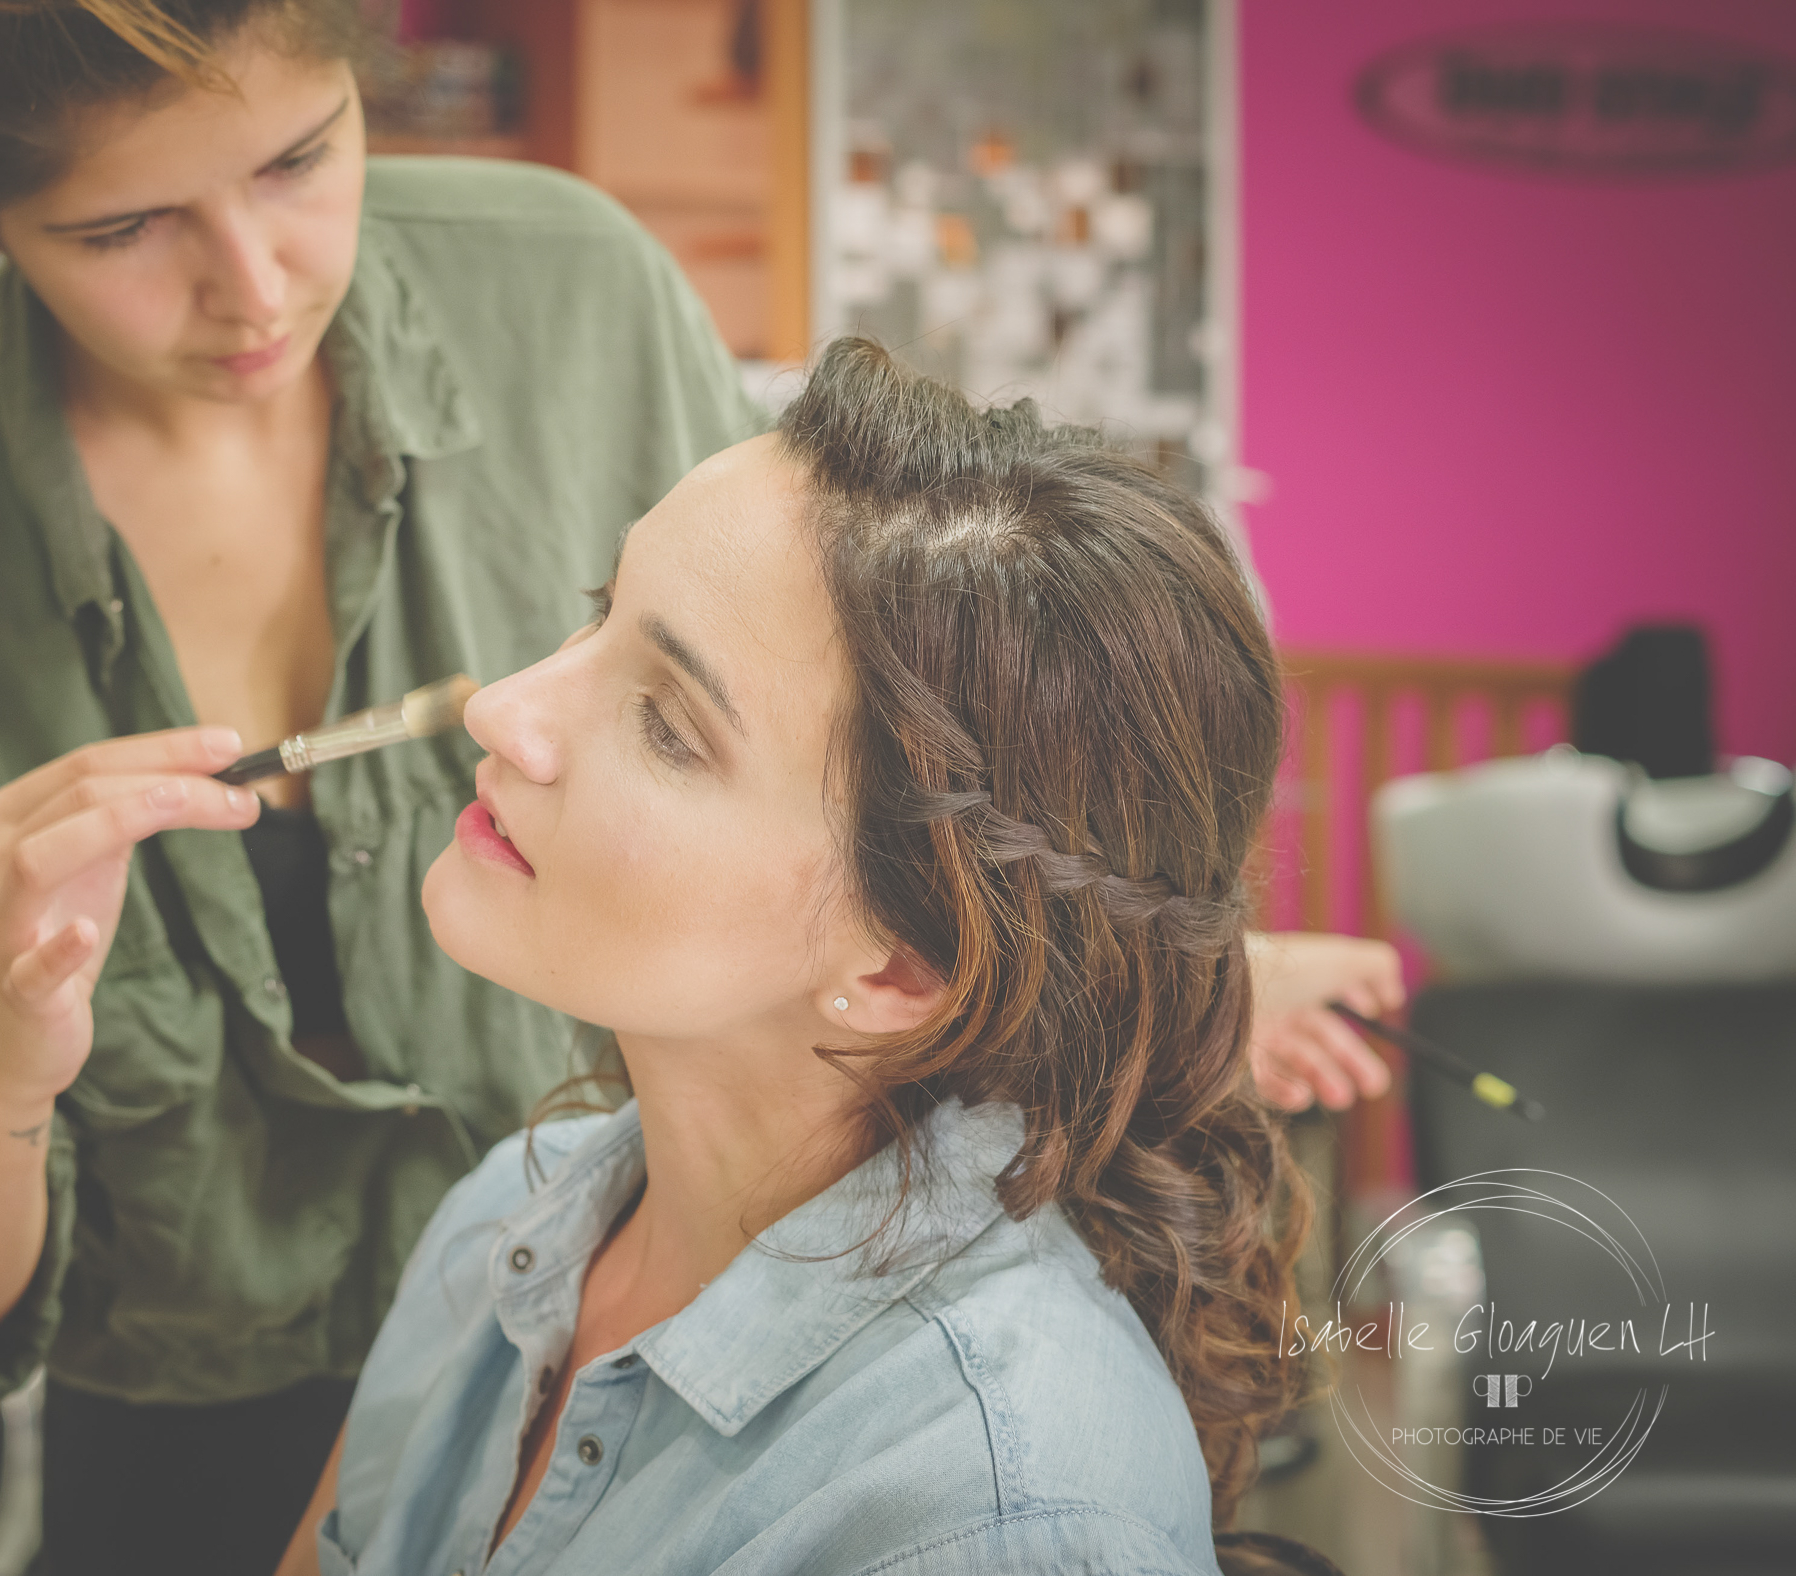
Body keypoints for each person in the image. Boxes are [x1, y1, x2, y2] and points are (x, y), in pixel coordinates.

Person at [0, 0, 1395, 1570]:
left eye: (303, 156)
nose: (256, 285)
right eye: (121, 228)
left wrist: (1125, 965)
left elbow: (850, 759)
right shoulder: (501, 1236)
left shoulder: (990, 1497)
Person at [283, 341, 1317, 1575]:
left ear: (900, 970)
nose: (502, 707)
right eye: (599, 613)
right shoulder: (505, 1215)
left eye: (667, 724)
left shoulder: (986, 1513)